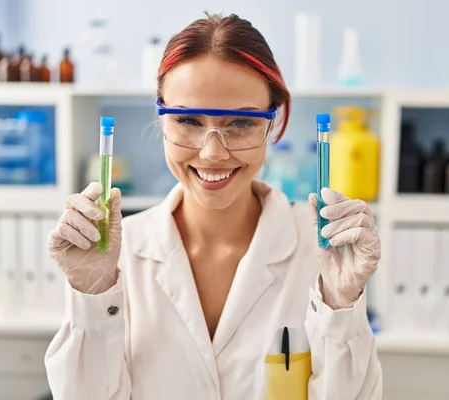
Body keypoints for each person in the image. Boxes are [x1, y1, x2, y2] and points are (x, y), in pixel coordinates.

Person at [45, 13, 382, 400]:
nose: (212, 152)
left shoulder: (321, 252)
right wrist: (92, 293)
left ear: (274, 121)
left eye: (241, 123)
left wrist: (340, 305)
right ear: (162, 120)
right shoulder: (114, 259)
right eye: (188, 120)